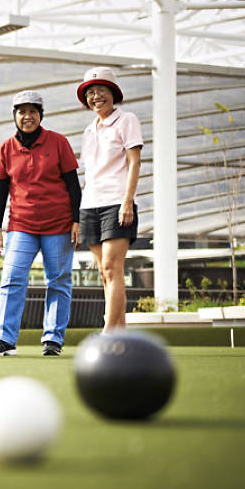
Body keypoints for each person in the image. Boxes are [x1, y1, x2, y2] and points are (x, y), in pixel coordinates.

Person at [0, 91, 81, 357]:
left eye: (33, 111)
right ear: (14, 116)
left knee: (59, 281)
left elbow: (73, 185)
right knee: (11, 278)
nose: (27, 117)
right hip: (21, 225)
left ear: (41, 115)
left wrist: (76, 220)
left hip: (59, 225)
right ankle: (4, 339)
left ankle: (53, 340)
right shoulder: (5, 148)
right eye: (21, 111)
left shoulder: (58, 142)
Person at [76, 67, 143, 332]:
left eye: (100, 90)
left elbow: (135, 162)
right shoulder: (88, 130)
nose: (95, 97)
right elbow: (90, 173)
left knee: (111, 267)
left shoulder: (127, 120)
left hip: (117, 203)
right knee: (104, 273)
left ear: (113, 92)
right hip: (89, 205)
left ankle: (107, 331)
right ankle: (120, 331)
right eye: (90, 93)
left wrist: (127, 201)